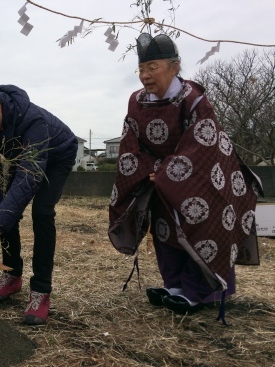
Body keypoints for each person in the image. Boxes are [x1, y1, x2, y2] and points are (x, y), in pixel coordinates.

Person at [108, 33, 263, 320]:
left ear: (174, 67)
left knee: (200, 225)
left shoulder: (194, 100)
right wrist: (150, 170)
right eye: (141, 69)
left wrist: (167, 171)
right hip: (160, 180)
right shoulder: (137, 101)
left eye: (152, 67)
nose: (145, 76)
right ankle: (176, 286)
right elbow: (130, 140)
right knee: (166, 231)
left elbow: (203, 143)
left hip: (204, 177)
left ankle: (200, 292)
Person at [0, 76, 78, 325]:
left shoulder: (33, 121)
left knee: (41, 212)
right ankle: (12, 275)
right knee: (1, 209)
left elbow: (27, 179)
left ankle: (40, 290)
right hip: (21, 160)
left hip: (56, 156)